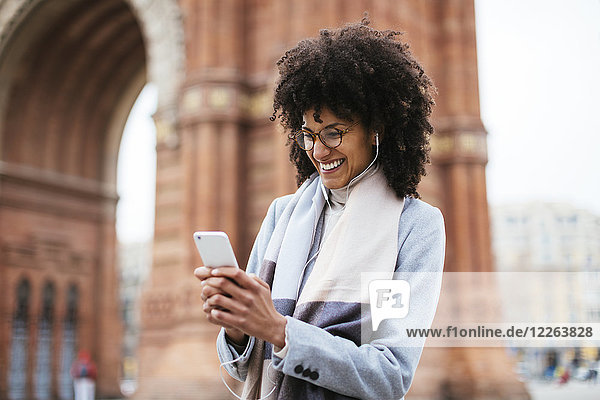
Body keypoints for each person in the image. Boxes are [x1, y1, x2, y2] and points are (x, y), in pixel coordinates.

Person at [195, 17, 445, 400]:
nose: (317, 150)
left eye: (334, 132)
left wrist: (280, 331)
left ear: (377, 128)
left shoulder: (414, 227)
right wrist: (237, 326)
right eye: (308, 135)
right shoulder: (282, 215)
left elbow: (389, 375)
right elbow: (241, 365)